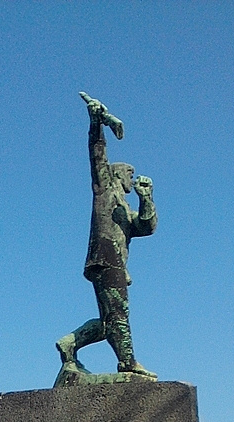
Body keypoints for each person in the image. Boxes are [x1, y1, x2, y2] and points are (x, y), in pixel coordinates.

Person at [55, 92, 158, 379]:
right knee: (118, 316)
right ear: (115, 175)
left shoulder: (125, 208)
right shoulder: (105, 190)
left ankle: (70, 342)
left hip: (116, 265)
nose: (131, 178)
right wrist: (96, 123)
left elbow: (146, 227)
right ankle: (127, 362)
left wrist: (147, 199)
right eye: (128, 173)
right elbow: (97, 153)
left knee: (108, 321)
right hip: (105, 259)